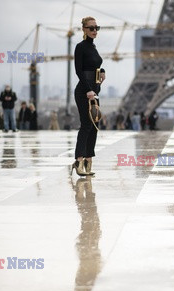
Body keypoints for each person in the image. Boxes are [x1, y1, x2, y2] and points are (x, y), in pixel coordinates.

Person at [72, 16, 105, 177]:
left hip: (95, 90)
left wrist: (102, 71)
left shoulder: (93, 47)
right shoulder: (80, 47)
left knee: (94, 126)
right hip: (85, 90)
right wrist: (88, 90)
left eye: (96, 28)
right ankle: (79, 160)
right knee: (86, 124)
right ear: (84, 29)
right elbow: (79, 70)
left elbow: (96, 65)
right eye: (91, 28)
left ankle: (88, 160)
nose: (94, 31)